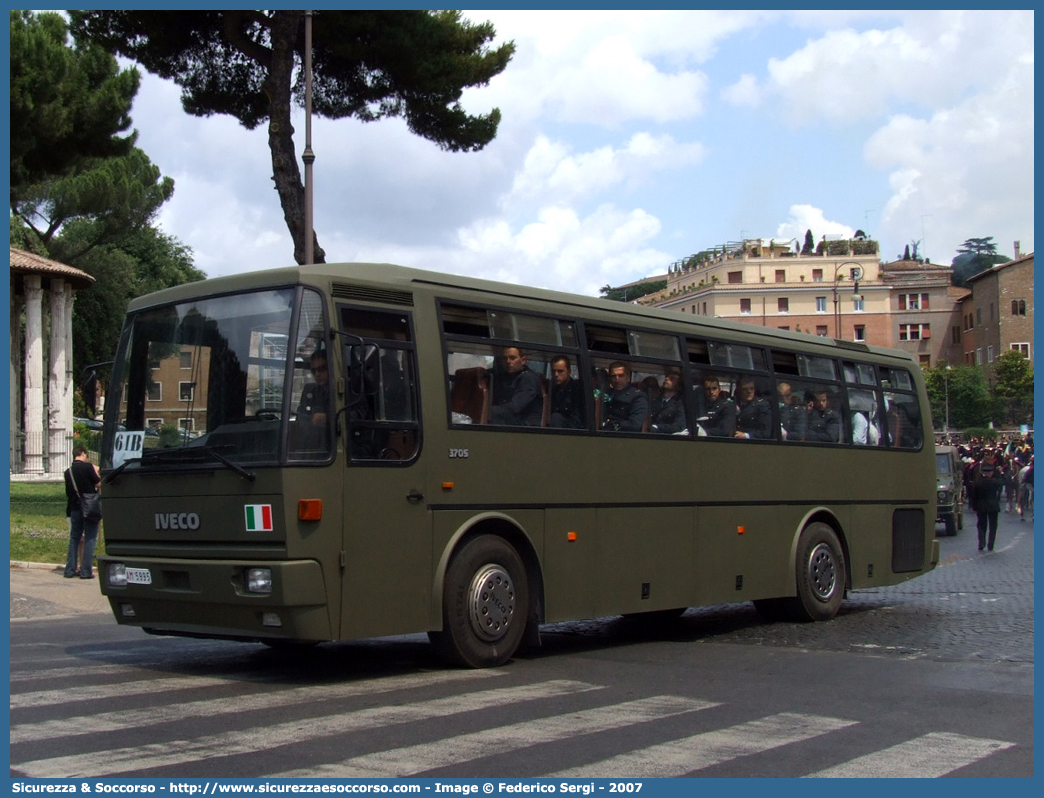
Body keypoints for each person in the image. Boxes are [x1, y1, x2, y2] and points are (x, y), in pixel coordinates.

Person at [63, 445, 101, 579]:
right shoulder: (88, 467)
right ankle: (86, 571)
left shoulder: (68, 472)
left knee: (74, 538)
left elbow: (68, 492)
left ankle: (70, 570)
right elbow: (98, 484)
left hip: (74, 508)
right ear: (83, 454)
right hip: (89, 507)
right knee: (90, 538)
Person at [489, 346, 543, 426]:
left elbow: (516, 406)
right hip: (512, 419)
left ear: (523, 360)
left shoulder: (529, 377)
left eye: (512, 358)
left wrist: (496, 408)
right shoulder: (506, 376)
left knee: (494, 412)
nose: (508, 361)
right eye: (505, 358)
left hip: (526, 424)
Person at [600, 361, 649, 432]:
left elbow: (635, 424)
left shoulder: (637, 396)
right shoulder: (606, 393)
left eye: (621, 376)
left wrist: (614, 425)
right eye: (613, 376)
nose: (617, 380)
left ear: (628, 377)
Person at [969, 459, 1004, 551]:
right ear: (991, 473)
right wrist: (1001, 473)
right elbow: (1003, 482)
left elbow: (973, 496)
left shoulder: (977, 483)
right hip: (993, 506)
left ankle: (981, 542)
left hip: (981, 506)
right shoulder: (995, 482)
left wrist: (973, 506)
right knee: (993, 526)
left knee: (981, 525)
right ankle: (990, 545)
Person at [548, 355, 586, 429]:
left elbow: (577, 418)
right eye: (553, 371)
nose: (556, 375)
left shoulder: (578, 389)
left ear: (569, 371)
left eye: (560, 371)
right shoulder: (552, 389)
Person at [297, 349, 330, 426]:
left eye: (321, 369)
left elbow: (357, 414)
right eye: (314, 371)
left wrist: (329, 418)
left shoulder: (346, 389)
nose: (317, 374)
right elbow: (300, 418)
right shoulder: (310, 390)